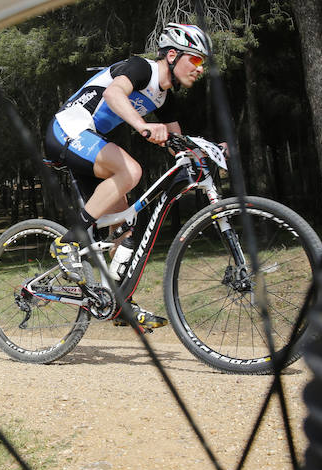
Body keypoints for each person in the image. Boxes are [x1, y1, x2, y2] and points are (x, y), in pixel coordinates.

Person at [44, 23, 211, 331]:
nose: (201, 69)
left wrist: (209, 155)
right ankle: (67, 242)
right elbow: (113, 93)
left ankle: (119, 303)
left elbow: (178, 144)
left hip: (90, 144)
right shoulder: (140, 68)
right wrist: (142, 126)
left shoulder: (166, 99)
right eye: (197, 59)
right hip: (68, 128)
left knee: (127, 227)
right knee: (132, 170)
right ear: (172, 55)